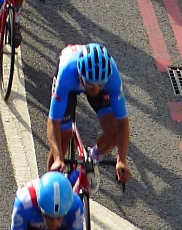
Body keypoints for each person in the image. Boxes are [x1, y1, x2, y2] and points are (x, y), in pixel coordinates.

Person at [46, 43, 131, 186]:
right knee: (63, 138)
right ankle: (49, 184)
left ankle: (94, 156)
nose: (95, 90)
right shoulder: (66, 73)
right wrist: (59, 158)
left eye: (100, 85)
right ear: (81, 74)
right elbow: (53, 122)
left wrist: (121, 159)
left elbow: (123, 123)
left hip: (92, 80)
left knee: (113, 131)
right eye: (91, 85)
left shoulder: (112, 78)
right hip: (71, 84)